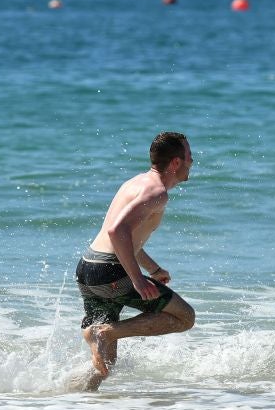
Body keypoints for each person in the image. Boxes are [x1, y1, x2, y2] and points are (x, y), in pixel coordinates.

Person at [73, 131, 197, 391]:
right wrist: (138, 279)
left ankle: (71, 397)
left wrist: (153, 269)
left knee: (106, 363)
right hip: (110, 273)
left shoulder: (135, 183)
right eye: (189, 156)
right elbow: (117, 232)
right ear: (175, 162)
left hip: (89, 268)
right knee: (185, 317)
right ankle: (106, 332)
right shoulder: (157, 193)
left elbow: (126, 238)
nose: (192, 161)